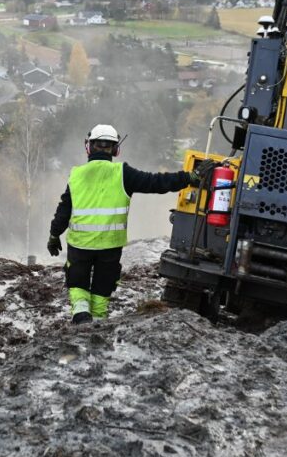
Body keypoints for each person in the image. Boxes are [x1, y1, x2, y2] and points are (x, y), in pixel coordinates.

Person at [48, 124, 215, 324]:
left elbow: (64, 209)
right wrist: (191, 177)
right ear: (116, 149)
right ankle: (98, 321)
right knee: (103, 285)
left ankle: (81, 314)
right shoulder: (123, 173)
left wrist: (54, 235)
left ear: (88, 147)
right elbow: (157, 182)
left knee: (77, 281)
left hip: (79, 244)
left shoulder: (76, 174)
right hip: (110, 246)